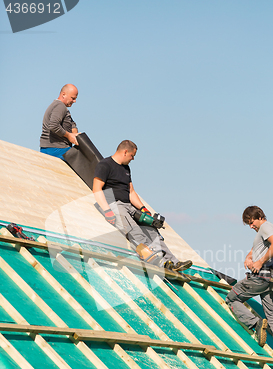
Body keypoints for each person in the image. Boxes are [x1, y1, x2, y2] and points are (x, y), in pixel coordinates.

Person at [93, 140, 192, 272]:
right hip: (114, 204)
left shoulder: (126, 168)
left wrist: (143, 208)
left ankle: (174, 263)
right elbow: (97, 189)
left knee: (152, 230)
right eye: (132, 156)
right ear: (125, 152)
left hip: (129, 205)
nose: (133, 159)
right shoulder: (105, 165)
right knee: (136, 232)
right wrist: (107, 211)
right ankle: (160, 263)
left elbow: (131, 192)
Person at [225, 206, 273, 361]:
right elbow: (258, 248)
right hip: (272, 279)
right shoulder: (263, 231)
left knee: (232, 298)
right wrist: (249, 257)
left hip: (260, 277)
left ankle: (256, 324)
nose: (251, 226)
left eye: (251, 221)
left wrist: (260, 262)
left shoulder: (266, 227)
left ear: (259, 216)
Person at [40, 84, 79, 160]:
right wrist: (69, 136)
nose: (74, 101)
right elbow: (54, 126)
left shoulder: (60, 107)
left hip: (53, 148)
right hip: (57, 149)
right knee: (85, 162)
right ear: (63, 94)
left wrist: (74, 134)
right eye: (72, 98)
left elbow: (72, 124)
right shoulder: (60, 106)